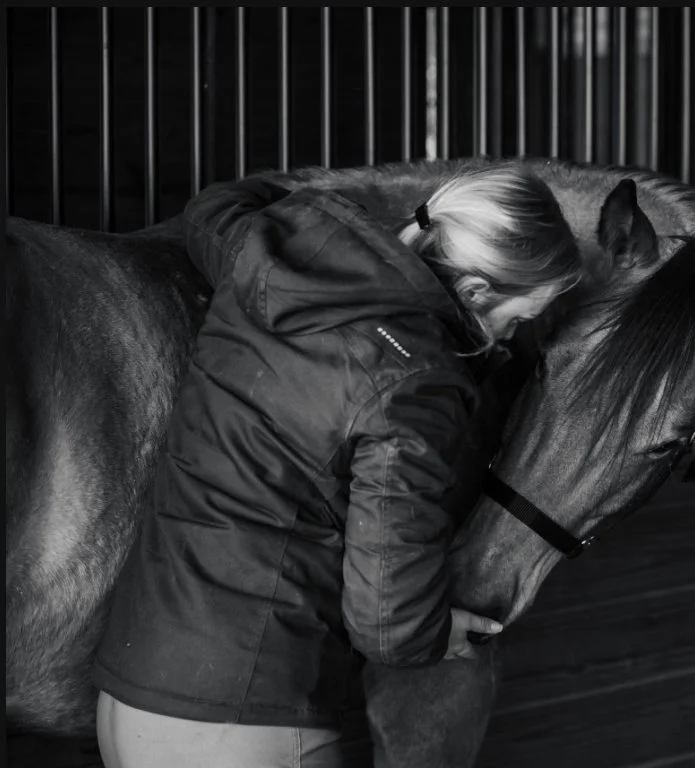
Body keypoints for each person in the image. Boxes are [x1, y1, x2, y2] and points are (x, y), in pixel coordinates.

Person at [91, 162, 583, 768]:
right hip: (253, 716)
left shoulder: (269, 258)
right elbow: (386, 621)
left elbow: (211, 208)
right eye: (520, 318)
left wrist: (315, 205)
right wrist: (437, 635)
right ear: (477, 290)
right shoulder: (418, 384)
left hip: (130, 701)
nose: (509, 337)